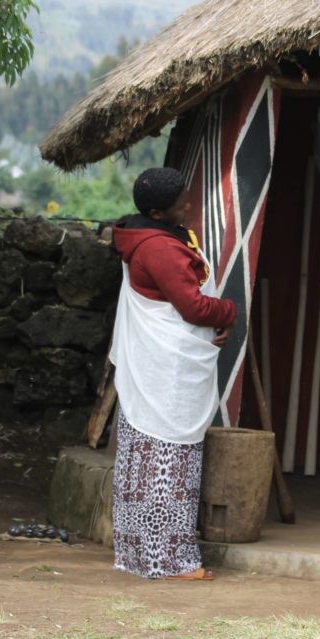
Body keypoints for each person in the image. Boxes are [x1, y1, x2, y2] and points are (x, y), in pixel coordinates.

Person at [109, 167, 237, 581]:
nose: (190, 205)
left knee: (143, 459)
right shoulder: (159, 248)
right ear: (157, 212)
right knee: (166, 462)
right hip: (165, 371)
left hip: (156, 366)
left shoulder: (148, 236)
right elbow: (192, 307)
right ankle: (168, 560)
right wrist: (229, 311)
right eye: (182, 202)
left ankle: (139, 554)